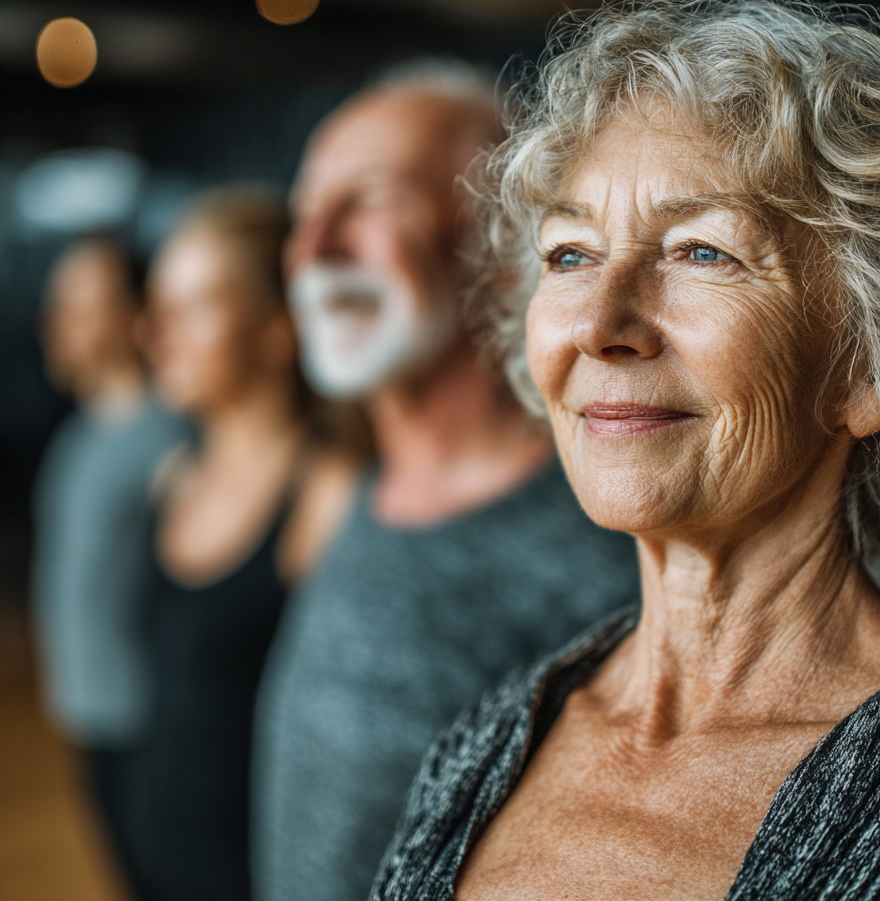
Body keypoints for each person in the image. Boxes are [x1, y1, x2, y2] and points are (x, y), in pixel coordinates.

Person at [371, 0, 880, 900]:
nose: (602, 322)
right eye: (571, 254)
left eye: (703, 252)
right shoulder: (484, 748)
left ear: (872, 367)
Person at [252, 61, 640, 901]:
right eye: (305, 211)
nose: (317, 251)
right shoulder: (353, 496)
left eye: (372, 200)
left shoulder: (601, 550)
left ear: (502, 246)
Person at [124, 187, 358, 901]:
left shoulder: (328, 496)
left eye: (194, 306)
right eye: (158, 305)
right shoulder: (171, 476)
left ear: (279, 328)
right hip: (156, 856)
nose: (156, 332)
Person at [30, 238, 189, 893]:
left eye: (83, 304)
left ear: (135, 314)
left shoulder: (172, 439)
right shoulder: (79, 431)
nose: (60, 321)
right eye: (58, 303)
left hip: (149, 725)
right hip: (90, 713)